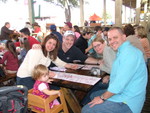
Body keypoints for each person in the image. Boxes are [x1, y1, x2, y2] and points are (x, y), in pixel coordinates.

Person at [82, 27, 148, 113]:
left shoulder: (129, 54)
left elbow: (119, 85)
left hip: (128, 101)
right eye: (110, 39)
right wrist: (109, 76)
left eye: (115, 37)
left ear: (124, 37)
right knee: (93, 95)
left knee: (86, 110)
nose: (112, 41)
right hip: (123, 92)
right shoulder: (123, 51)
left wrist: (102, 98)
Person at [81, 36, 116, 106]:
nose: (97, 48)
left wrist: (101, 66)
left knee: (93, 87)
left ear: (104, 43)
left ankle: (84, 105)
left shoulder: (107, 51)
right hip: (113, 79)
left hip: (115, 83)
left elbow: (112, 70)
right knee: (94, 80)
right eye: (95, 47)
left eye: (98, 45)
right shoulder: (108, 49)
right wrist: (108, 75)